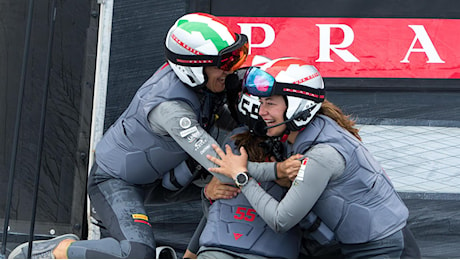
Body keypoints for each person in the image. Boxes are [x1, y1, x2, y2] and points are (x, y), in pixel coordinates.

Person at [8, 12, 250, 259]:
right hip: (115, 182)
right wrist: (278, 171)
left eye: (235, 59)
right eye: (225, 63)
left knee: (231, 188)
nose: (231, 70)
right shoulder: (170, 108)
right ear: (194, 69)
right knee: (137, 254)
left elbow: (238, 121)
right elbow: (216, 161)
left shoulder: (203, 84)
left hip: (160, 177)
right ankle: (54, 251)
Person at [206, 57, 412, 258]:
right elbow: (278, 170)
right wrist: (234, 169)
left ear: (297, 105)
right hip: (362, 242)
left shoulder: (321, 154)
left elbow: (280, 220)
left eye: (270, 103)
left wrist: (241, 176)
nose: (261, 111)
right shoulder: (312, 130)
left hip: (380, 248)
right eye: (261, 102)